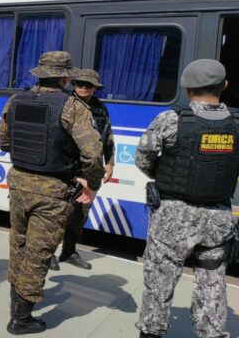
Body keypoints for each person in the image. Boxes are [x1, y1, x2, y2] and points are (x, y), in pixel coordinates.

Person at [0, 51, 104, 335]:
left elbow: (4, 142)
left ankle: (15, 306)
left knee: (18, 246)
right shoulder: (73, 107)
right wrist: (92, 185)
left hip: (18, 184)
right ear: (66, 77)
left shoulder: (15, 100)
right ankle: (21, 319)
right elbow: (93, 156)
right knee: (38, 253)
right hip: (52, 190)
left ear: (41, 74)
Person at [135, 59, 239, 338]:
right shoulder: (237, 124)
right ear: (224, 86)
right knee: (212, 284)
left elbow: (143, 159)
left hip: (172, 215)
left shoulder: (171, 119)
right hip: (218, 218)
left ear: (188, 88)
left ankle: (151, 332)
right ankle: (211, 332)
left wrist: (165, 176)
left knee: (159, 280)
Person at [50, 69, 115, 271]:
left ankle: (69, 251)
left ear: (96, 88)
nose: (83, 87)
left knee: (79, 215)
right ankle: (48, 252)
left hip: (88, 170)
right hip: (67, 169)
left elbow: (107, 137)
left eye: (88, 85)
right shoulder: (66, 104)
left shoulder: (100, 108)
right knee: (58, 214)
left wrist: (110, 162)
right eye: (79, 83)